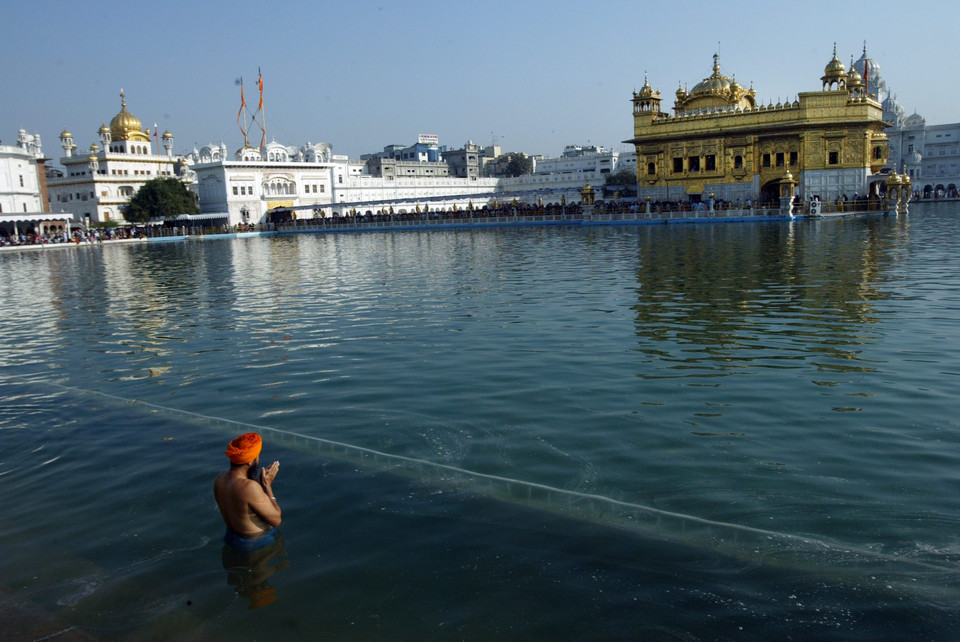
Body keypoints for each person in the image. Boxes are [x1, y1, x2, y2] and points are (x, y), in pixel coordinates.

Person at [214, 432, 281, 551]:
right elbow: (276, 520)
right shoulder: (249, 487)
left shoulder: (220, 479)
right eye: (257, 456)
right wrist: (267, 486)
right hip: (255, 543)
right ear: (250, 461)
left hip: (231, 537)